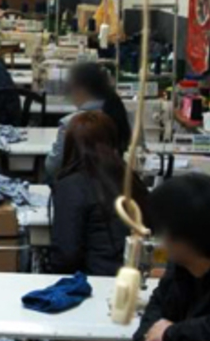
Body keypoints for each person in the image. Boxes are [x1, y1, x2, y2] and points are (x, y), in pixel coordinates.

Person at [134, 174, 210, 341]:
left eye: (162, 233)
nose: (161, 242)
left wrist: (172, 333)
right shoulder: (183, 263)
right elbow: (159, 306)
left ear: (186, 241)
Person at [48, 111, 150, 276]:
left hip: (97, 278)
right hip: (133, 274)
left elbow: (66, 255)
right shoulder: (131, 179)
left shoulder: (72, 185)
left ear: (71, 144)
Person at [45, 62, 131, 178]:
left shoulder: (71, 123)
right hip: (114, 184)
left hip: (78, 186)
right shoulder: (119, 113)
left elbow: (52, 167)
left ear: (80, 89)